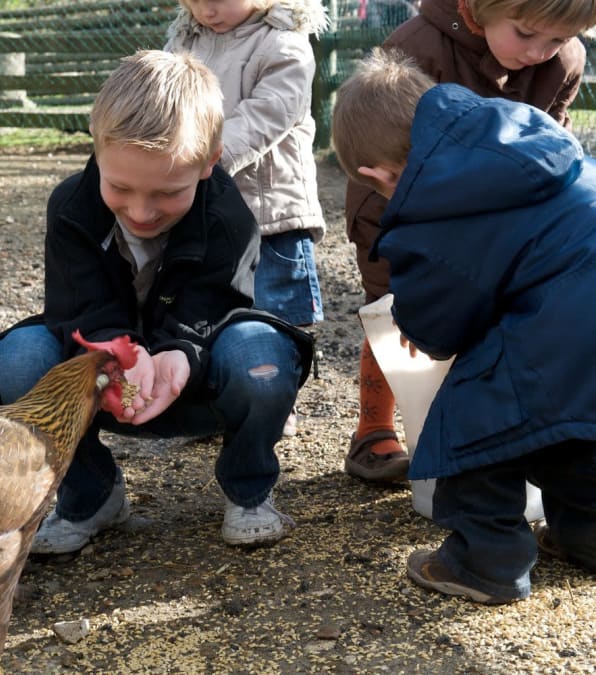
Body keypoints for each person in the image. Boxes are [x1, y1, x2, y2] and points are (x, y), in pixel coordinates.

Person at [0, 50, 314, 553]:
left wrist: (176, 354)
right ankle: (90, 495)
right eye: (120, 187)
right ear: (97, 152)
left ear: (209, 163)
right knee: (19, 357)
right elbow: (79, 306)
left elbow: (216, 304)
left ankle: (249, 490)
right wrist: (121, 353)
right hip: (101, 378)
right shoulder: (71, 208)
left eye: (167, 192)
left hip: (197, 380)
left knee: (261, 355)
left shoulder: (230, 216)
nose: (142, 211)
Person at [331, 48, 596, 604]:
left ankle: (486, 564)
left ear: (378, 175)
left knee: (471, 420)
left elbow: (440, 315)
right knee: (572, 427)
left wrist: (416, 326)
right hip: (576, 314)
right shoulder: (517, 131)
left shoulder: (437, 202)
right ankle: (585, 534)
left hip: (562, 327)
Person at [343, 0, 596, 483]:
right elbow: (374, 181)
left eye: (558, 40)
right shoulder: (416, 50)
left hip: (504, 230)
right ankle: (374, 429)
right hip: (409, 211)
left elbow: (549, 141)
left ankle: (508, 445)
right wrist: (388, 277)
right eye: (525, 34)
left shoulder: (563, 62)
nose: (539, 52)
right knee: (389, 313)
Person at [165, 0, 328, 436]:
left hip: (270, 212)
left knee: (273, 312)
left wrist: (200, 164)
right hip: (206, 210)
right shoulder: (187, 39)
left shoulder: (285, 44)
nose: (206, 10)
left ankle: (274, 401)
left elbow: (265, 118)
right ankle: (219, 397)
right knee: (209, 307)